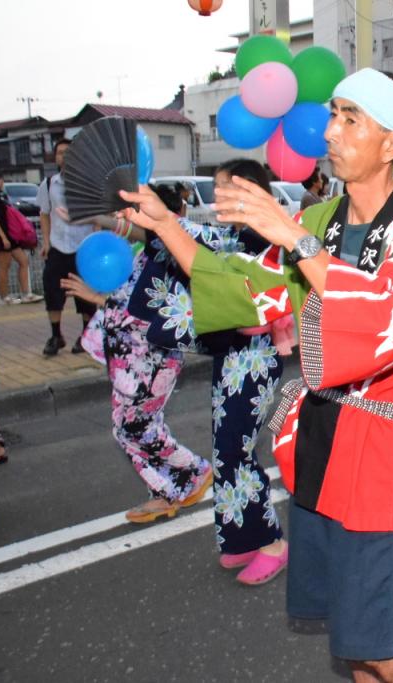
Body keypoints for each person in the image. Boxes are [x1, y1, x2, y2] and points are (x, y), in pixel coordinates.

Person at [121, 67, 393, 682]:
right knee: (351, 642)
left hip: (379, 454)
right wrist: (166, 225)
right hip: (317, 448)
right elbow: (246, 285)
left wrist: (298, 240)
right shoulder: (324, 217)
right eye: (332, 115)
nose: (330, 131)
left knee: (382, 644)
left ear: (392, 144)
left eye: (351, 118)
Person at [122, 160, 288, 585]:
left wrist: (167, 224)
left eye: (223, 188)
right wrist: (160, 224)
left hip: (257, 357)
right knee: (225, 449)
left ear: (251, 190)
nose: (215, 197)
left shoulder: (268, 234)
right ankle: (241, 538)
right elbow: (207, 245)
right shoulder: (235, 234)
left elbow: (211, 249)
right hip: (232, 354)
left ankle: (270, 540)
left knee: (237, 448)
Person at [61, 185, 213, 524]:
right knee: (132, 427)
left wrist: (98, 298)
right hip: (130, 362)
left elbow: (150, 311)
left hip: (152, 361)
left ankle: (191, 473)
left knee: (132, 429)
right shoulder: (143, 253)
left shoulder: (173, 254)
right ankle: (169, 489)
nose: (126, 217)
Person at [37, 139, 98, 355]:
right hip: (57, 246)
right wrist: (45, 241)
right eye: (60, 152)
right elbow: (44, 214)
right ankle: (56, 335)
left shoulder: (88, 183)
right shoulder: (48, 184)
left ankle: (86, 336)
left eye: (68, 152)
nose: (63, 156)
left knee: (85, 293)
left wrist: (95, 241)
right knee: (52, 289)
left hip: (83, 247)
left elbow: (98, 217)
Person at [0, 171, 41, 306]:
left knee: (23, 260)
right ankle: (4, 297)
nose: (2, 182)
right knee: (4, 265)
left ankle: (26, 294)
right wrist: (3, 237)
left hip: (9, 236)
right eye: (0, 179)